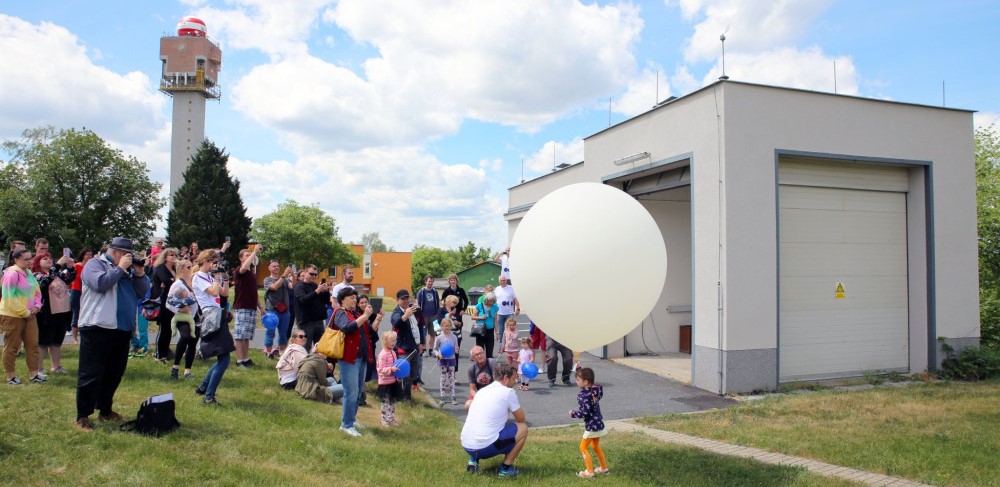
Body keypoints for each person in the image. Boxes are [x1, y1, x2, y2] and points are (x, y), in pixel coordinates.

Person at [74, 238, 149, 432]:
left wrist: (140, 274)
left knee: (114, 373)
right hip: (97, 327)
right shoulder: (94, 264)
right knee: (91, 373)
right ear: (115, 252)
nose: (129, 258)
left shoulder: (126, 270)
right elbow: (100, 283)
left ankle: (105, 410)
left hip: (122, 329)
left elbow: (141, 293)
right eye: (127, 254)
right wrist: (120, 268)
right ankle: (82, 416)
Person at [460, 362, 528, 477]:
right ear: (506, 378)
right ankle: (505, 469)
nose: (514, 382)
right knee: (523, 429)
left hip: (466, 444)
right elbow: (521, 419)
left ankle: (473, 460)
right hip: (485, 447)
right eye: (513, 379)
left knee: (485, 424)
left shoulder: (482, 391)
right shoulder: (508, 392)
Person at [192, 249, 235, 405]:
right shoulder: (198, 277)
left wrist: (223, 278)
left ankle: (203, 388)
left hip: (217, 314)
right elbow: (213, 292)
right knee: (224, 358)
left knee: (223, 356)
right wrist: (216, 278)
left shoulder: (209, 277)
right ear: (205, 261)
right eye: (214, 262)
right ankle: (208, 396)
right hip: (210, 316)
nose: (215, 265)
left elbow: (223, 293)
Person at [332, 286, 376, 437]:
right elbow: (347, 328)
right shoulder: (340, 312)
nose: (354, 300)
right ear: (342, 299)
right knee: (351, 392)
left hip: (361, 357)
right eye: (351, 297)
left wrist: (376, 317)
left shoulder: (355, 313)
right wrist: (364, 316)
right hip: (348, 359)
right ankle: (346, 424)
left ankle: (352, 418)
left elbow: (369, 332)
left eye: (355, 298)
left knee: (357, 392)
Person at [1, 248, 44, 385]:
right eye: (26, 259)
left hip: (30, 314)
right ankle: (10, 376)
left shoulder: (29, 272)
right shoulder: (11, 274)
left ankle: (34, 374)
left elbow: (37, 291)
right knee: (12, 346)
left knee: (33, 345)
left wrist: (37, 306)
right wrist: (25, 312)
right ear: (16, 260)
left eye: (30, 258)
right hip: (12, 315)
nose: (29, 261)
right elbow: (9, 297)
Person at [31, 252, 76, 374]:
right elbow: (44, 283)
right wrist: (57, 265)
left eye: (49, 258)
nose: (48, 260)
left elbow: (69, 278)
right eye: (44, 259)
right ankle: (39, 368)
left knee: (57, 340)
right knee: (43, 341)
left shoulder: (57, 274)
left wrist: (70, 267)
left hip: (61, 311)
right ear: (37, 262)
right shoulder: (36, 275)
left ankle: (56, 366)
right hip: (45, 313)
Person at [569, 367, 609, 478]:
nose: (576, 382)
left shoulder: (584, 395)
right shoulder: (596, 391)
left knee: (583, 447)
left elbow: (584, 412)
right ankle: (603, 468)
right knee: (595, 446)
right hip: (599, 424)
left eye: (578, 379)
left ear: (585, 382)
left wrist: (573, 414)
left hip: (592, 426)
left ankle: (589, 472)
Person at [164, 258, 198, 380]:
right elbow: (168, 302)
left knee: (193, 342)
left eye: (191, 266)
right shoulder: (177, 284)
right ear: (181, 269)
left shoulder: (194, 282)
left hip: (195, 316)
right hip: (182, 318)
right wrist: (179, 309)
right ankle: (175, 367)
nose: (191, 269)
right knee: (185, 337)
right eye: (189, 267)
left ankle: (187, 371)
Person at [232, 245, 263, 368]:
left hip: (251, 307)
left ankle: (246, 358)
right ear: (241, 258)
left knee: (246, 335)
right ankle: (239, 360)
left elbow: (254, 292)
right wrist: (254, 252)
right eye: (246, 255)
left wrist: (260, 307)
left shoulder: (252, 274)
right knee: (240, 336)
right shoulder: (239, 270)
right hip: (242, 307)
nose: (250, 256)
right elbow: (244, 267)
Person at [390, 289, 422, 399]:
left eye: (407, 298)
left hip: (414, 347)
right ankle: (404, 398)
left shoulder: (412, 310)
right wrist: (405, 316)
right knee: (405, 374)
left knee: (414, 373)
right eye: (403, 299)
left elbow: (418, 327)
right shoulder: (397, 313)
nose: (405, 301)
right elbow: (396, 324)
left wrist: (420, 343)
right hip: (403, 348)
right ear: (397, 300)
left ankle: (404, 394)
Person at [149, 247, 179, 361]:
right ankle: (159, 354)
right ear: (165, 257)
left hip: (171, 301)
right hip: (161, 301)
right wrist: (173, 281)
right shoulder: (161, 268)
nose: (174, 257)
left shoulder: (175, 269)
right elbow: (166, 280)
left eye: (175, 255)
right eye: (171, 255)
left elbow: (177, 282)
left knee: (169, 329)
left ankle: (166, 353)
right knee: (163, 328)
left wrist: (173, 280)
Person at [293, 264, 331, 350]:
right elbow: (303, 300)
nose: (313, 276)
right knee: (306, 347)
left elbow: (325, 301)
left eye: (315, 274)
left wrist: (326, 291)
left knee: (321, 348)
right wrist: (317, 291)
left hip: (318, 321)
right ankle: (304, 363)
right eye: (311, 274)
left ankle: (319, 363)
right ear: (305, 272)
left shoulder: (315, 285)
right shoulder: (299, 286)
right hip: (306, 322)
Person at [262, 260, 295, 359]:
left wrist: (293, 275)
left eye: (278, 266)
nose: (276, 267)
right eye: (274, 266)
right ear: (269, 268)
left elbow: (292, 286)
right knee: (270, 332)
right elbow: (274, 287)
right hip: (272, 310)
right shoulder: (267, 280)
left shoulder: (284, 280)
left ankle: (282, 353)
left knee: (283, 333)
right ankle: (268, 352)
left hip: (285, 310)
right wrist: (284, 275)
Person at [357, 293, 382, 407]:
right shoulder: (356, 315)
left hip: (371, 343)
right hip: (360, 345)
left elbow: (373, 330)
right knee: (360, 369)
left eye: (366, 302)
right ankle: (360, 396)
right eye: (361, 302)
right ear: (358, 304)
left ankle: (361, 390)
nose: (364, 304)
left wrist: (378, 318)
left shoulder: (372, 314)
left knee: (369, 367)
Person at [375, 331, 404, 427]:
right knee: (385, 402)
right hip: (385, 383)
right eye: (392, 340)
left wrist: (398, 373)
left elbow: (395, 365)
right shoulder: (382, 354)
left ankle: (391, 418)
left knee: (393, 402)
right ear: (385, 341)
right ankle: (384, 419)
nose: (394, 342)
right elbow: (380, 369)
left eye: (395, 340)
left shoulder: (393, 353)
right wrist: (391, 369)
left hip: (393, 381)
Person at [433, 317, 459, 405]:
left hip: (451, 360)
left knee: (451, 378)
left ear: (451, 326)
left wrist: (456, 350)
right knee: (443, 378)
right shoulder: (439, 337)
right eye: (445, 326)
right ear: (441, 327)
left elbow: (456, 348)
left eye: (448, 326)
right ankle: (442, 396)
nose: (446, 328)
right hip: (443, 360)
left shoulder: (454, 337)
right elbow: (435, 349)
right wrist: (438, 354)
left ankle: (453, 396)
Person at [69, 248, 93, 344]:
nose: (89, 256)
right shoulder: (77, 266)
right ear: (82, 255)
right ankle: (75, 338)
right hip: (77, 291)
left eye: (91, 254)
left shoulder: (92, 267)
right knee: (76, 313)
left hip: (87, 292)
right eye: (87, 254)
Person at [436, 294, 463, 372]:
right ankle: (444, 371)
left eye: (455, 303)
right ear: (448, 302)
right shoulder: (442, 310)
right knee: (444, 353)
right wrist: (449, 316)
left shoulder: (456, 310)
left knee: (455, 354)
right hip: (444, 335)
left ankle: (454, 374)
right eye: (453, 302)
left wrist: (459, 323)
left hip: (456, 335)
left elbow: (461, 322)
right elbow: (440, 321)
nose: (454, 304)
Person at [416, 275, 440, 356]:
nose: (430, 283)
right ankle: (424, 349)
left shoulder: (435, 291)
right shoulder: (421, 292)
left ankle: (431, 350)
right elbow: (418, 304)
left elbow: (437, 303)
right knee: (423, 333)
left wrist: (437, 313)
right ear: (425, 282)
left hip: (434, 316)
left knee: (433, 333)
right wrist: (419, 315)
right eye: (429, 281)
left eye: (431, 281)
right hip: (423, 316)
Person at [494, 275, 520, 347]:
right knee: (501, 330)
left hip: (509, 313)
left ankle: (511, 344)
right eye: (501, 280)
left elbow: (515, 299)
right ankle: (501, 345)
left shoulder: (511, 288)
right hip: (500, 313)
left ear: (506, 280)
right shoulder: (497, 289)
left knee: (511, 329)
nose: (503, 282)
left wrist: (518, 308)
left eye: (504, 280)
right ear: (499, 281)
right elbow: (493, 300)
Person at [471, 291, 498, 358]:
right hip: (481, 330)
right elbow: (472, 317)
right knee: (480, 350)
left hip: (490, 330)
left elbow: (495, 320)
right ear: (486, 300)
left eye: (492, 301)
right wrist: (480, 317)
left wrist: (496, 333)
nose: (491, 302)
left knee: (489, 350)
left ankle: (489, 365)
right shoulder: (480, 305)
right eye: (490, 301)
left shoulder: (495, 307)